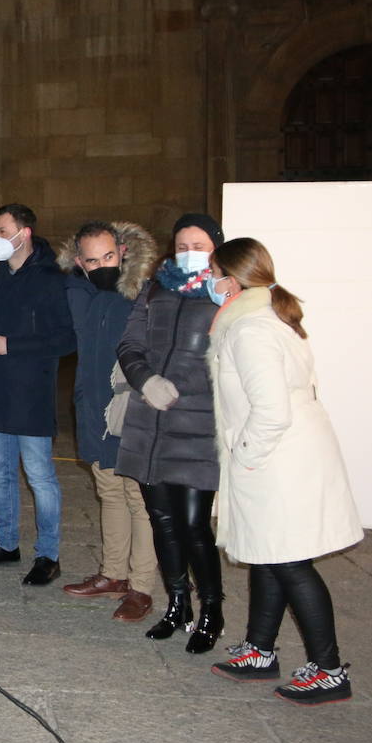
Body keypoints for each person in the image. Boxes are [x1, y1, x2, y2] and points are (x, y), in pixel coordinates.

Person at [206, 238, 362, 705]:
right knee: (268, 552)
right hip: (285, 456)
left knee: (290, 562)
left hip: (276, 460)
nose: (211, 283)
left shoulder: (250, 328)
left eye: (215, 273)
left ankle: (329, 669)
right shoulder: (270, 316)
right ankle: (259, 649)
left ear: (232, 280)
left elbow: (271, 410)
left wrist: (247, 455)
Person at [115, 213, 225, 652]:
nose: (189, 252)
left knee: (195, 523)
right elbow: (129, 343)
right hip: (151, 422)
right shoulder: (155, 287)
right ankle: (178, 604)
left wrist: (187, 388)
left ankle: (212, 610)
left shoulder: (225, 294)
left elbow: (234, 361)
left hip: (198, 425)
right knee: (161, 519)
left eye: (198, 244)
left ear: (216, 248)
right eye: (182, 245)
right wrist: (145, 380)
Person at [0, 203, 76, 585]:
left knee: (40, 476)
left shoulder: (52, 279)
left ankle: (48, 554)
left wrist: (16, 345)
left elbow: (66, 338)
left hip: (31, 394)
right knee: (0, 473)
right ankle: (7, 543)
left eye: (1, 230)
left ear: (23, 233)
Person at [57, 221, 160, 622]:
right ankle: (114, 574)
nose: (103, 265)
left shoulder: (144, 294)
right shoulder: (81, 295)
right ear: (80, 262)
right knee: (110, 491)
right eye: (93, 259)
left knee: (138, 499)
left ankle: (141, 585)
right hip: (92, 408)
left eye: (109, 257)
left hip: (130, 410)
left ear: (123, 252)